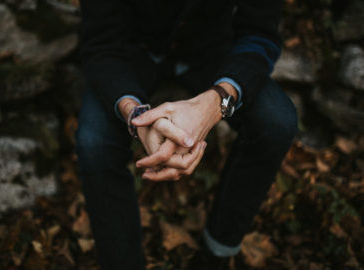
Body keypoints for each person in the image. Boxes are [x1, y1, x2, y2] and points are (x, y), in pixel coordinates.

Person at [75, 0, 298, 269]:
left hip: (212, 54)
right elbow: (101, 44)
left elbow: (259, 35)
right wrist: (136, 116)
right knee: (93, 143)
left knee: (277, 122)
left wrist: (217, 104)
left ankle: (217, 251)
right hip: (130, 55)